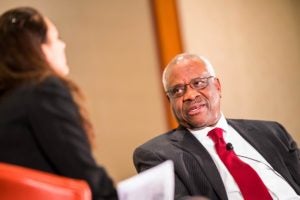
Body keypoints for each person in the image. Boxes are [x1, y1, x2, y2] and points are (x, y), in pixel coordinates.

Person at [133, 53, 300, 200]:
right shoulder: (156, 155)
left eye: (198, 83)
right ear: (170, 100)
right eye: (177, 90)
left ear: (218, 86)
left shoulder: (272, 132)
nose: (190, 95)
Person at [0, 7, 118, 200]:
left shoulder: (7, 102)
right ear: (38, 48)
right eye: (56, 38)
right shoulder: (44, 90)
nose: (63, 45)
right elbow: (86, 176)